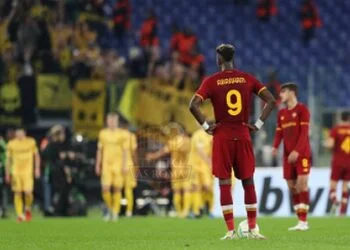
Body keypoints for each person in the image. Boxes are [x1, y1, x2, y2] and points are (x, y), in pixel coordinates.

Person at [189, 44, 276, 239]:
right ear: (233, 58)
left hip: (222, 136)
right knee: (248, 182)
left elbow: (193, 105)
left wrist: (205, 127)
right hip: (243, 134)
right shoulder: (247, 78)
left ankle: (230, 231)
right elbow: (271, 100)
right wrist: (259, 124)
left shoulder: (211, 81)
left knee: (224, 183)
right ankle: (253, 228)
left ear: (218, 59)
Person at [272, 82, 312, 231]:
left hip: (302, 154)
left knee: (302, 185)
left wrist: (297, 151)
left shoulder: (302, 110)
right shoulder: (281, 113)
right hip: (287, 156)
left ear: (291, 93)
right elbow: (279, 132)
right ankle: (299, 220)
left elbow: (304, 133)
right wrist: (275, 146)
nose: (280, 95)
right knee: (292, 187)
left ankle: (304, 221)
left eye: (283, 92)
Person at [146, 123, 191, 218]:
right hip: (186, 169)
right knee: (186, 191)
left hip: (176, 170)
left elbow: (163, 151)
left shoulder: (173, 141)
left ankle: (179, 212)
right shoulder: (188, 141)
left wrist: (152, 156)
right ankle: (185, 212)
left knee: (177, 191)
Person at [95, 112, 128, 221]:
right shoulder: (103, 134)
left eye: (114, 120)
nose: (112, 122)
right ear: (107, 121)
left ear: (117, 122)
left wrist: (125, 165)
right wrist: (97, 164)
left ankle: (115, 212)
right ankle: (109, 208)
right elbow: (99, 150)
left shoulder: (123, 134)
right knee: (105, 189)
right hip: (106, 165)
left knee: (117, 189)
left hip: (118, 165)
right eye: (110, 120)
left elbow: (125, 151)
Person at [5, 127, 40, 222]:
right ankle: (20, 215)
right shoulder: (11, 144)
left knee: (28, 192)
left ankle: (27, 208)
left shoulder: (31, 142)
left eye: (21, 133)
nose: (19, 135)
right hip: (16, 172)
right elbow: (8, 160)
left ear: (24, 133)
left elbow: (36, 156)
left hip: (27, 171)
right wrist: (7, 173)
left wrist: (37, 169)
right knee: (18, 192)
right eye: (17, 133)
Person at [324, 111, 350, 215]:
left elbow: (330, 144)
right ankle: (342, 212)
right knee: (345, 187)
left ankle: (335, 200)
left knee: (333, 185)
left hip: (338, 162)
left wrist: (326, 145)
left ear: (340, 118)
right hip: (349, 163)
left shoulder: (336, 129)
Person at [187, 128, 214, 217]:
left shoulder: (211, 135)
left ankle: (209, 209)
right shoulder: (198, 134)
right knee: (196, 188)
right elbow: (200, 150)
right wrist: (209, 161)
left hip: (206, 166)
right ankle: (196, 210)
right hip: (195, 165)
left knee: (208, 187)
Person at [123, 129, 138, 217]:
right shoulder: (130, 136)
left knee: (114, 188)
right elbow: (134, 152)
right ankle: (129, 211)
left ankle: (113, 210)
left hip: (116, 164)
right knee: (128, 189)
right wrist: (136, 164)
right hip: (128, 165)